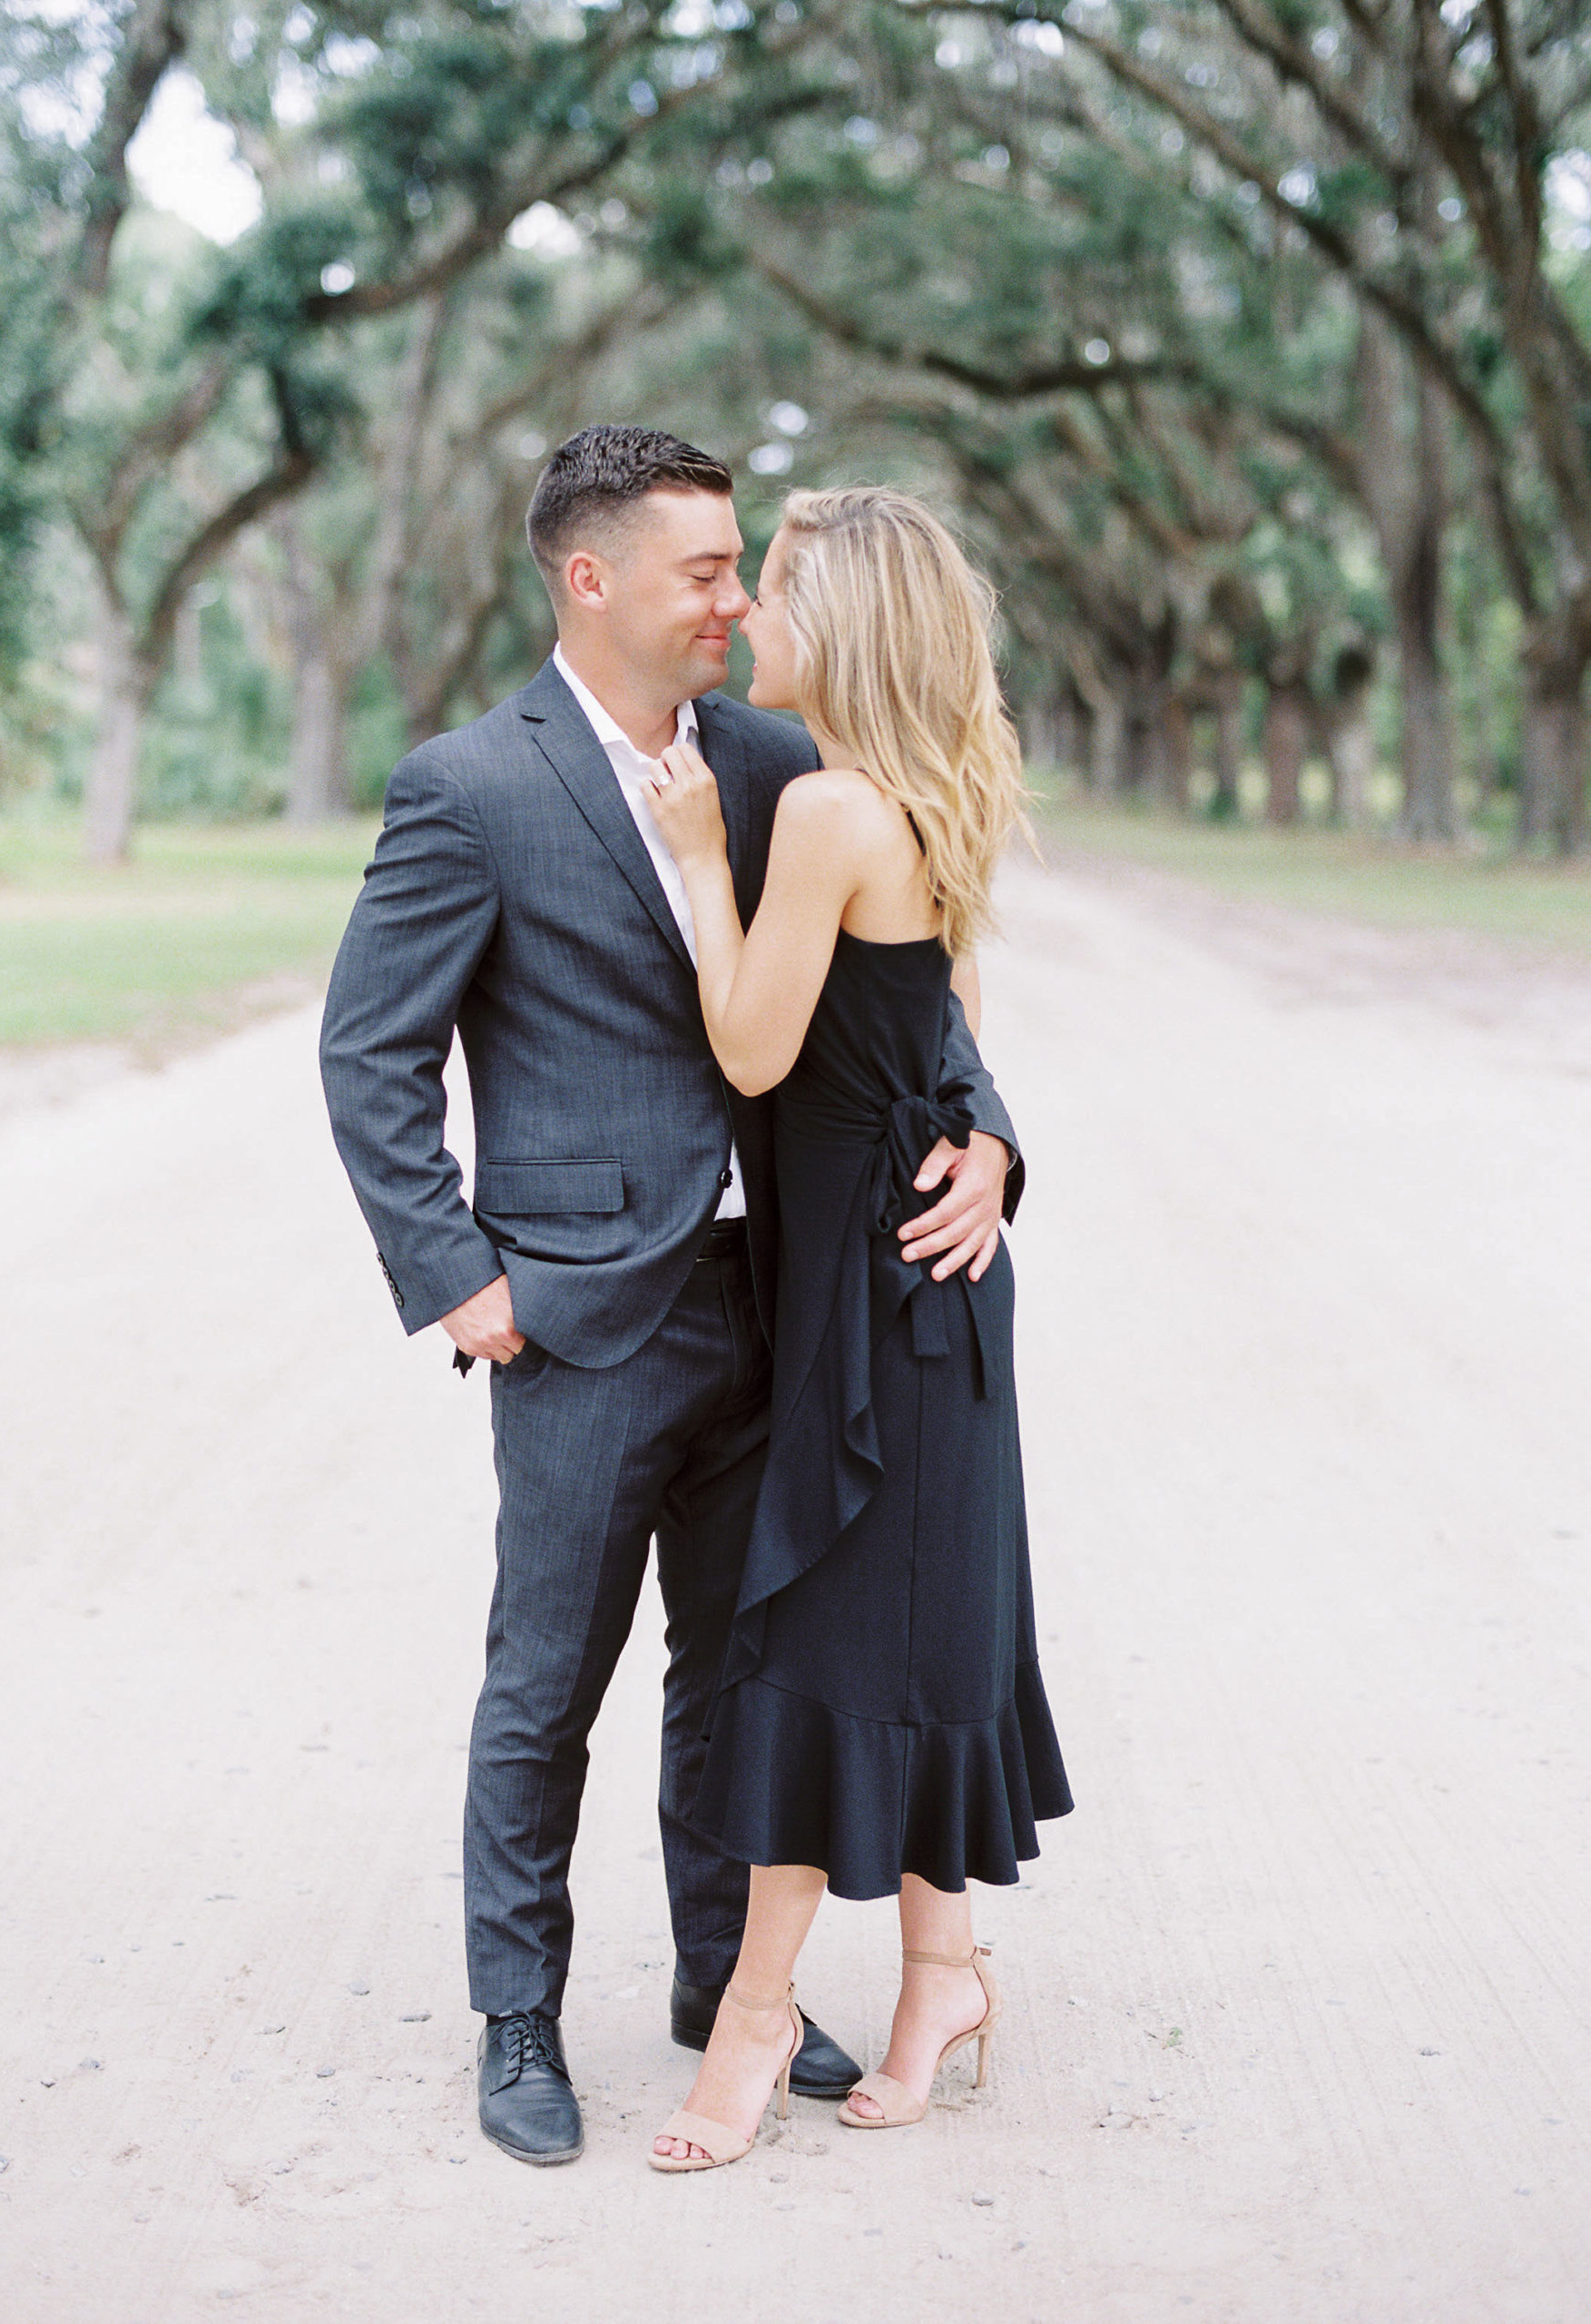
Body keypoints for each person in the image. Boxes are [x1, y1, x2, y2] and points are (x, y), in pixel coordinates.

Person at [318, 428, 1021, 2167]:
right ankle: (517, 2024)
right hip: (577, 1314)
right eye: (704, 568)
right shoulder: (468, 786)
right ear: (591, 576)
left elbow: (914, 994)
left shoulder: (787, 760)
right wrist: (457, 1278)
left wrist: (994, 1145)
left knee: (744, 1664)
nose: (732, 597)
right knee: (545, 1675)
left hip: (790, 1305)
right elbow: (370, 1055)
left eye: (740, 567)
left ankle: (725, 1988)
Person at [638, 485, 1073, 2172]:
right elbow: (958, 1033)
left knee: (827, 1641)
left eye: (781, 591)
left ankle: (755, 2014)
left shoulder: (823, 811)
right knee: (900, 1633)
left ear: (851, 628)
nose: (751, 616)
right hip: (922, 1281)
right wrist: (990, 1134)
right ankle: (943, 1975)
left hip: (883, 1295)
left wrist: (693, 857)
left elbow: (753, 1049)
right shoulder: (939, 789)